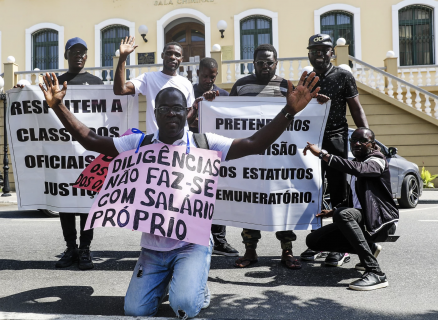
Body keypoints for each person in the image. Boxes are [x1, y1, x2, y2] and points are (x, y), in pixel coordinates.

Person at [38, 69, 321, 317]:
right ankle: (169, 281)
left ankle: (195, 287)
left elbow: (255, 143)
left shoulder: (204, 142)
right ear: (155, 112)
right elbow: (90, 140)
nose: (171, 113)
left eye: (177, 108)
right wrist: (58, 106)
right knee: (136, 311)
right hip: (152, 249)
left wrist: (289, 112)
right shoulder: (139, 143)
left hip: (192, 246)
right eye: (164, 108)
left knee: (184, 306)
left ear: (187, 111)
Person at [230, 44, 328, 270]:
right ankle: (250, 251)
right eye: (260, 62)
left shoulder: (287, 86)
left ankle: (287, 251)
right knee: (250, 202)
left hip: (280, 158)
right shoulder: (241, 86)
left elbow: (299, 112)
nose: (265, 66)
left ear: (276, 63)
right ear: (253, 64)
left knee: (284, 200)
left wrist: (316, 103)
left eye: (269, 62)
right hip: (251, 157)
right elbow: (229, 115)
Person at [300, 34, 369, 267]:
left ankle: (341, 246)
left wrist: (367, 136)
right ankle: (317, 242)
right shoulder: (306, 78)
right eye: (314, 50)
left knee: (339, 194)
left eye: (324, 50)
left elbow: (356, 107)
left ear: (332, 53)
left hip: (336, 139)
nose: (319, 54)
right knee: (313, 192)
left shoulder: (343, 75)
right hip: (311, 141)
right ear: (309, 53)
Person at [304, 128, 399, 291]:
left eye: (362, 140)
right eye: (353, 140)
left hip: (380, 221)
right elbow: (354, 200)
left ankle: (375, 273)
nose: (356, 143)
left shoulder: (377, 159)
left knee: (344, 214)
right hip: (362, 219)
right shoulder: (358, 162)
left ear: (372, 144)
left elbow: (361, 170)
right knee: (313, 240)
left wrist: (323, 155)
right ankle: (369, 248)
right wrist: (333, 211)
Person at [54, 37, 104, 270]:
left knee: (86, 204)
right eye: (74, 51)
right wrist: (23, 92)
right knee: (66, 204)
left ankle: (85, 249)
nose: (79, 55)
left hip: (88, 153)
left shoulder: (96, 82)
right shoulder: (58, 81)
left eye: (83, 51)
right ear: (66, 55)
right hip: (63, 153)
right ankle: (70, 247)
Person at [187, 57, 238, 257]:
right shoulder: (188, 92)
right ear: (197, 73)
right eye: (205, 76)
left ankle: (220, 240)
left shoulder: (222, 95)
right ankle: (193, 238)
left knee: (217, 196)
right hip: (192, 151)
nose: (208, 80)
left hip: (215, 152)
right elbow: (183, 122)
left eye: (212, 76)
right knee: (192, 197)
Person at [113, 36, 194, 133]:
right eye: (169, 53)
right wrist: (123, 58)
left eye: (177, 55)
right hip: (156, 142)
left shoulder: (187, 83)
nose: (172, 57)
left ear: (181, 59)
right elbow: (120, 90)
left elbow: (188, 113)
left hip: (180, 142)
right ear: (162, 55)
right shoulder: (148, 78)